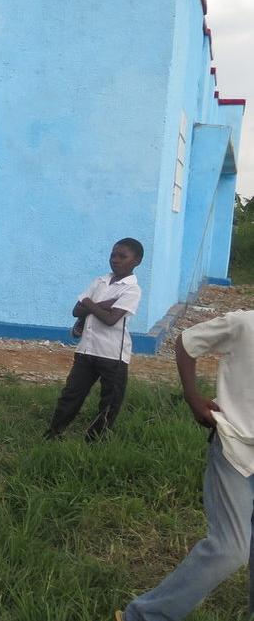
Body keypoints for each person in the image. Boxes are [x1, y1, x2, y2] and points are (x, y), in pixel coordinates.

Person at [116, 308, 254, 620]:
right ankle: (142, 616)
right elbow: (187, 342)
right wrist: (192, 398)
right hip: (236, 449)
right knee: (229, 550)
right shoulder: (245, 324)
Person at [44, 238, 144, 442]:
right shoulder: (99, 281)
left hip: (112, 354)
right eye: (113, 255)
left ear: (136, 261)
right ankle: (53, 434)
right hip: (87, 350)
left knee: (110, 401)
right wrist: (103, 304)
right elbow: (76, 310)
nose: (115, 260)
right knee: (71, 394)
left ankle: (94, 440)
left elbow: (110, 320)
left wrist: (89, 303)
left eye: (122, 256)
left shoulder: (132, 290)